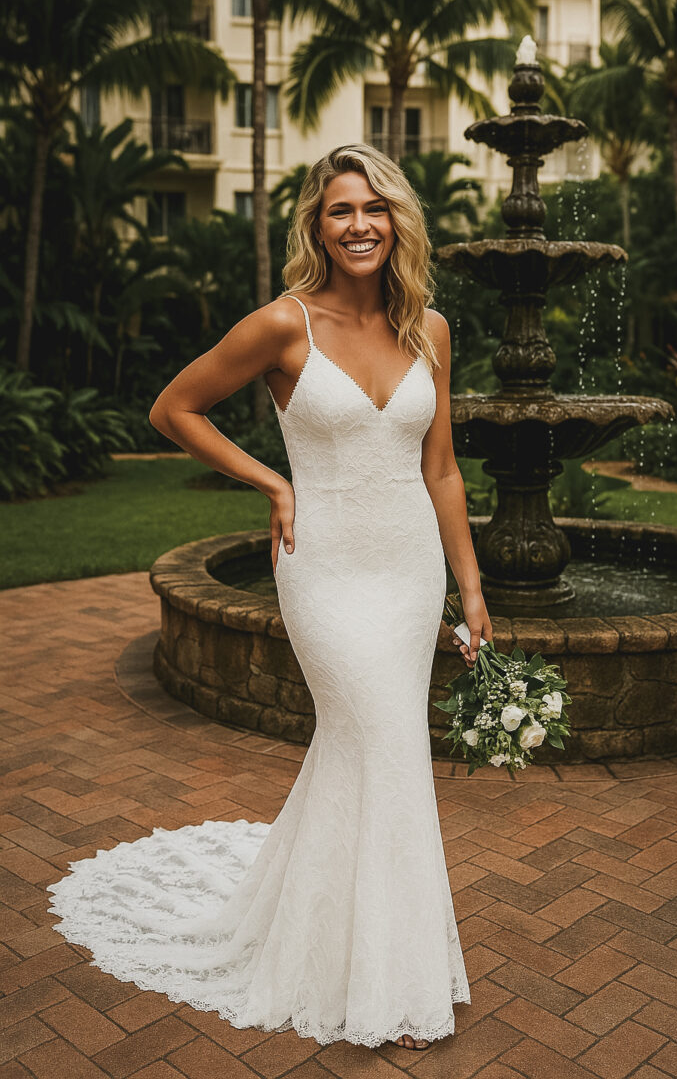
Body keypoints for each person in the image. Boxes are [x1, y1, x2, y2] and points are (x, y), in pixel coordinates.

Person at [46, 143, 493, 1052]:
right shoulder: (285, 324)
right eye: (341, 210)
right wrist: (272, 481)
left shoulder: (431, 330)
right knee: (381, 738)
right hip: (322, 566)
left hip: (409, 570)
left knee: (377, 750)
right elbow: (173, 409)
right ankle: (386, 980)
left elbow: (441, 469)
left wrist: (471, 586)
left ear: (398, 220)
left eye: (374, 207)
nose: (360, 224)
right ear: (317, 227)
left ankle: (365, 955)